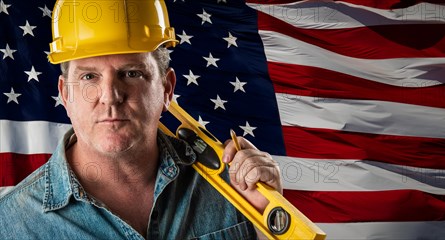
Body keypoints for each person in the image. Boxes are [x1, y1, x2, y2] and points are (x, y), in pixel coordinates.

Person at [0, 0, 281, 239]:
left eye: (132, 73)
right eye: (89, 76)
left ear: (167, 89)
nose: (110, 96)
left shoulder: (230, 189)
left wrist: (272, 222)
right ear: (65, 94)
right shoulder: (12, 225)